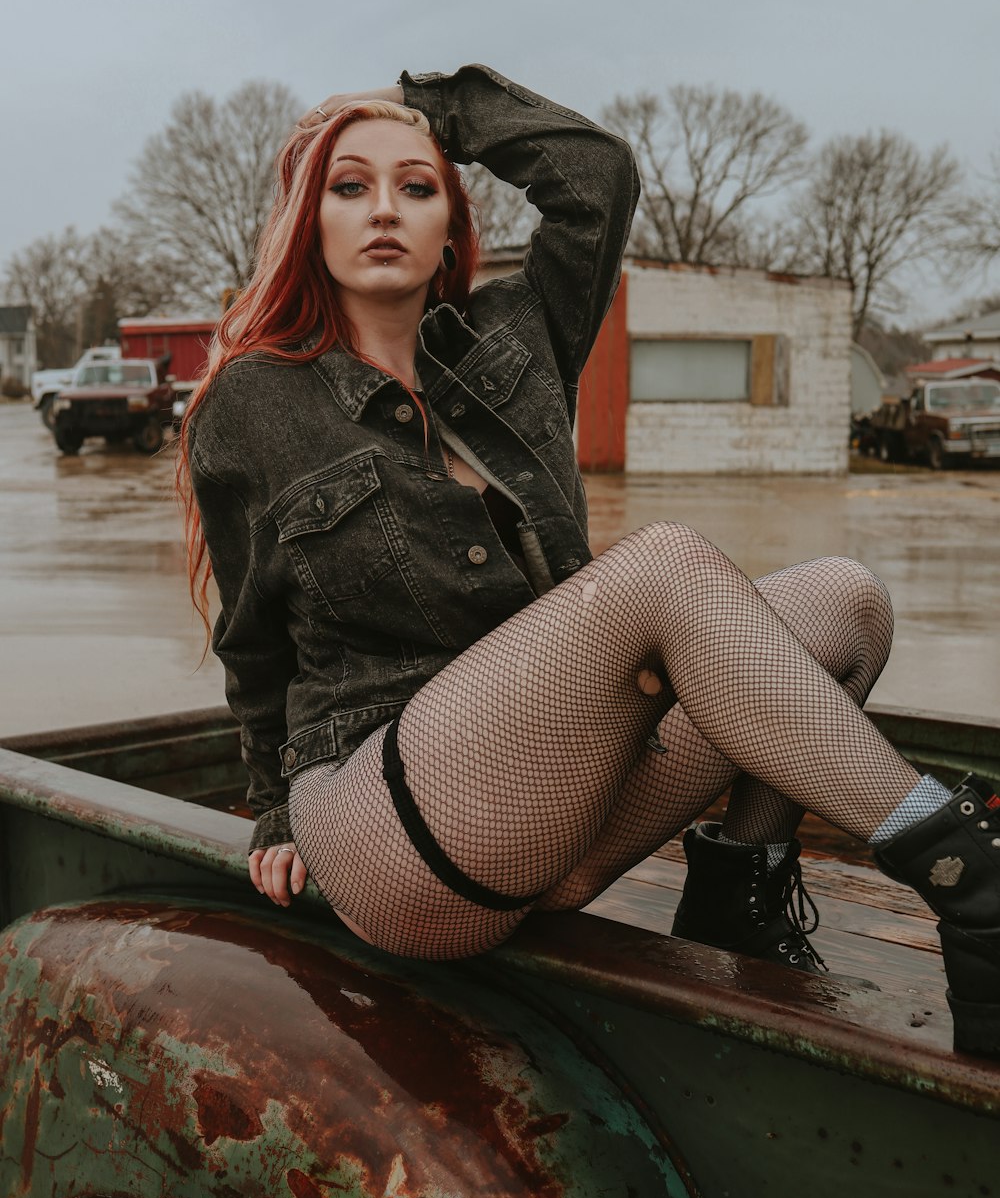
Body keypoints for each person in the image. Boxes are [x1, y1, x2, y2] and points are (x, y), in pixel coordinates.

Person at [181, 65, 1000, 1057]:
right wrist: (272, 812)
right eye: (348, 186)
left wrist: (432, 110)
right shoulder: (255, 401)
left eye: (418, 184)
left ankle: (737, 896)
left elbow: (596, 176)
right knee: (661, 565)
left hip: (553, 805)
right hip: (387, 819)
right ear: (308, 221)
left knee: (845, 602)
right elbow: (251, 640)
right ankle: (965, 868)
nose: (383, 209)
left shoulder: (514, 344)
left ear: (454, 227)